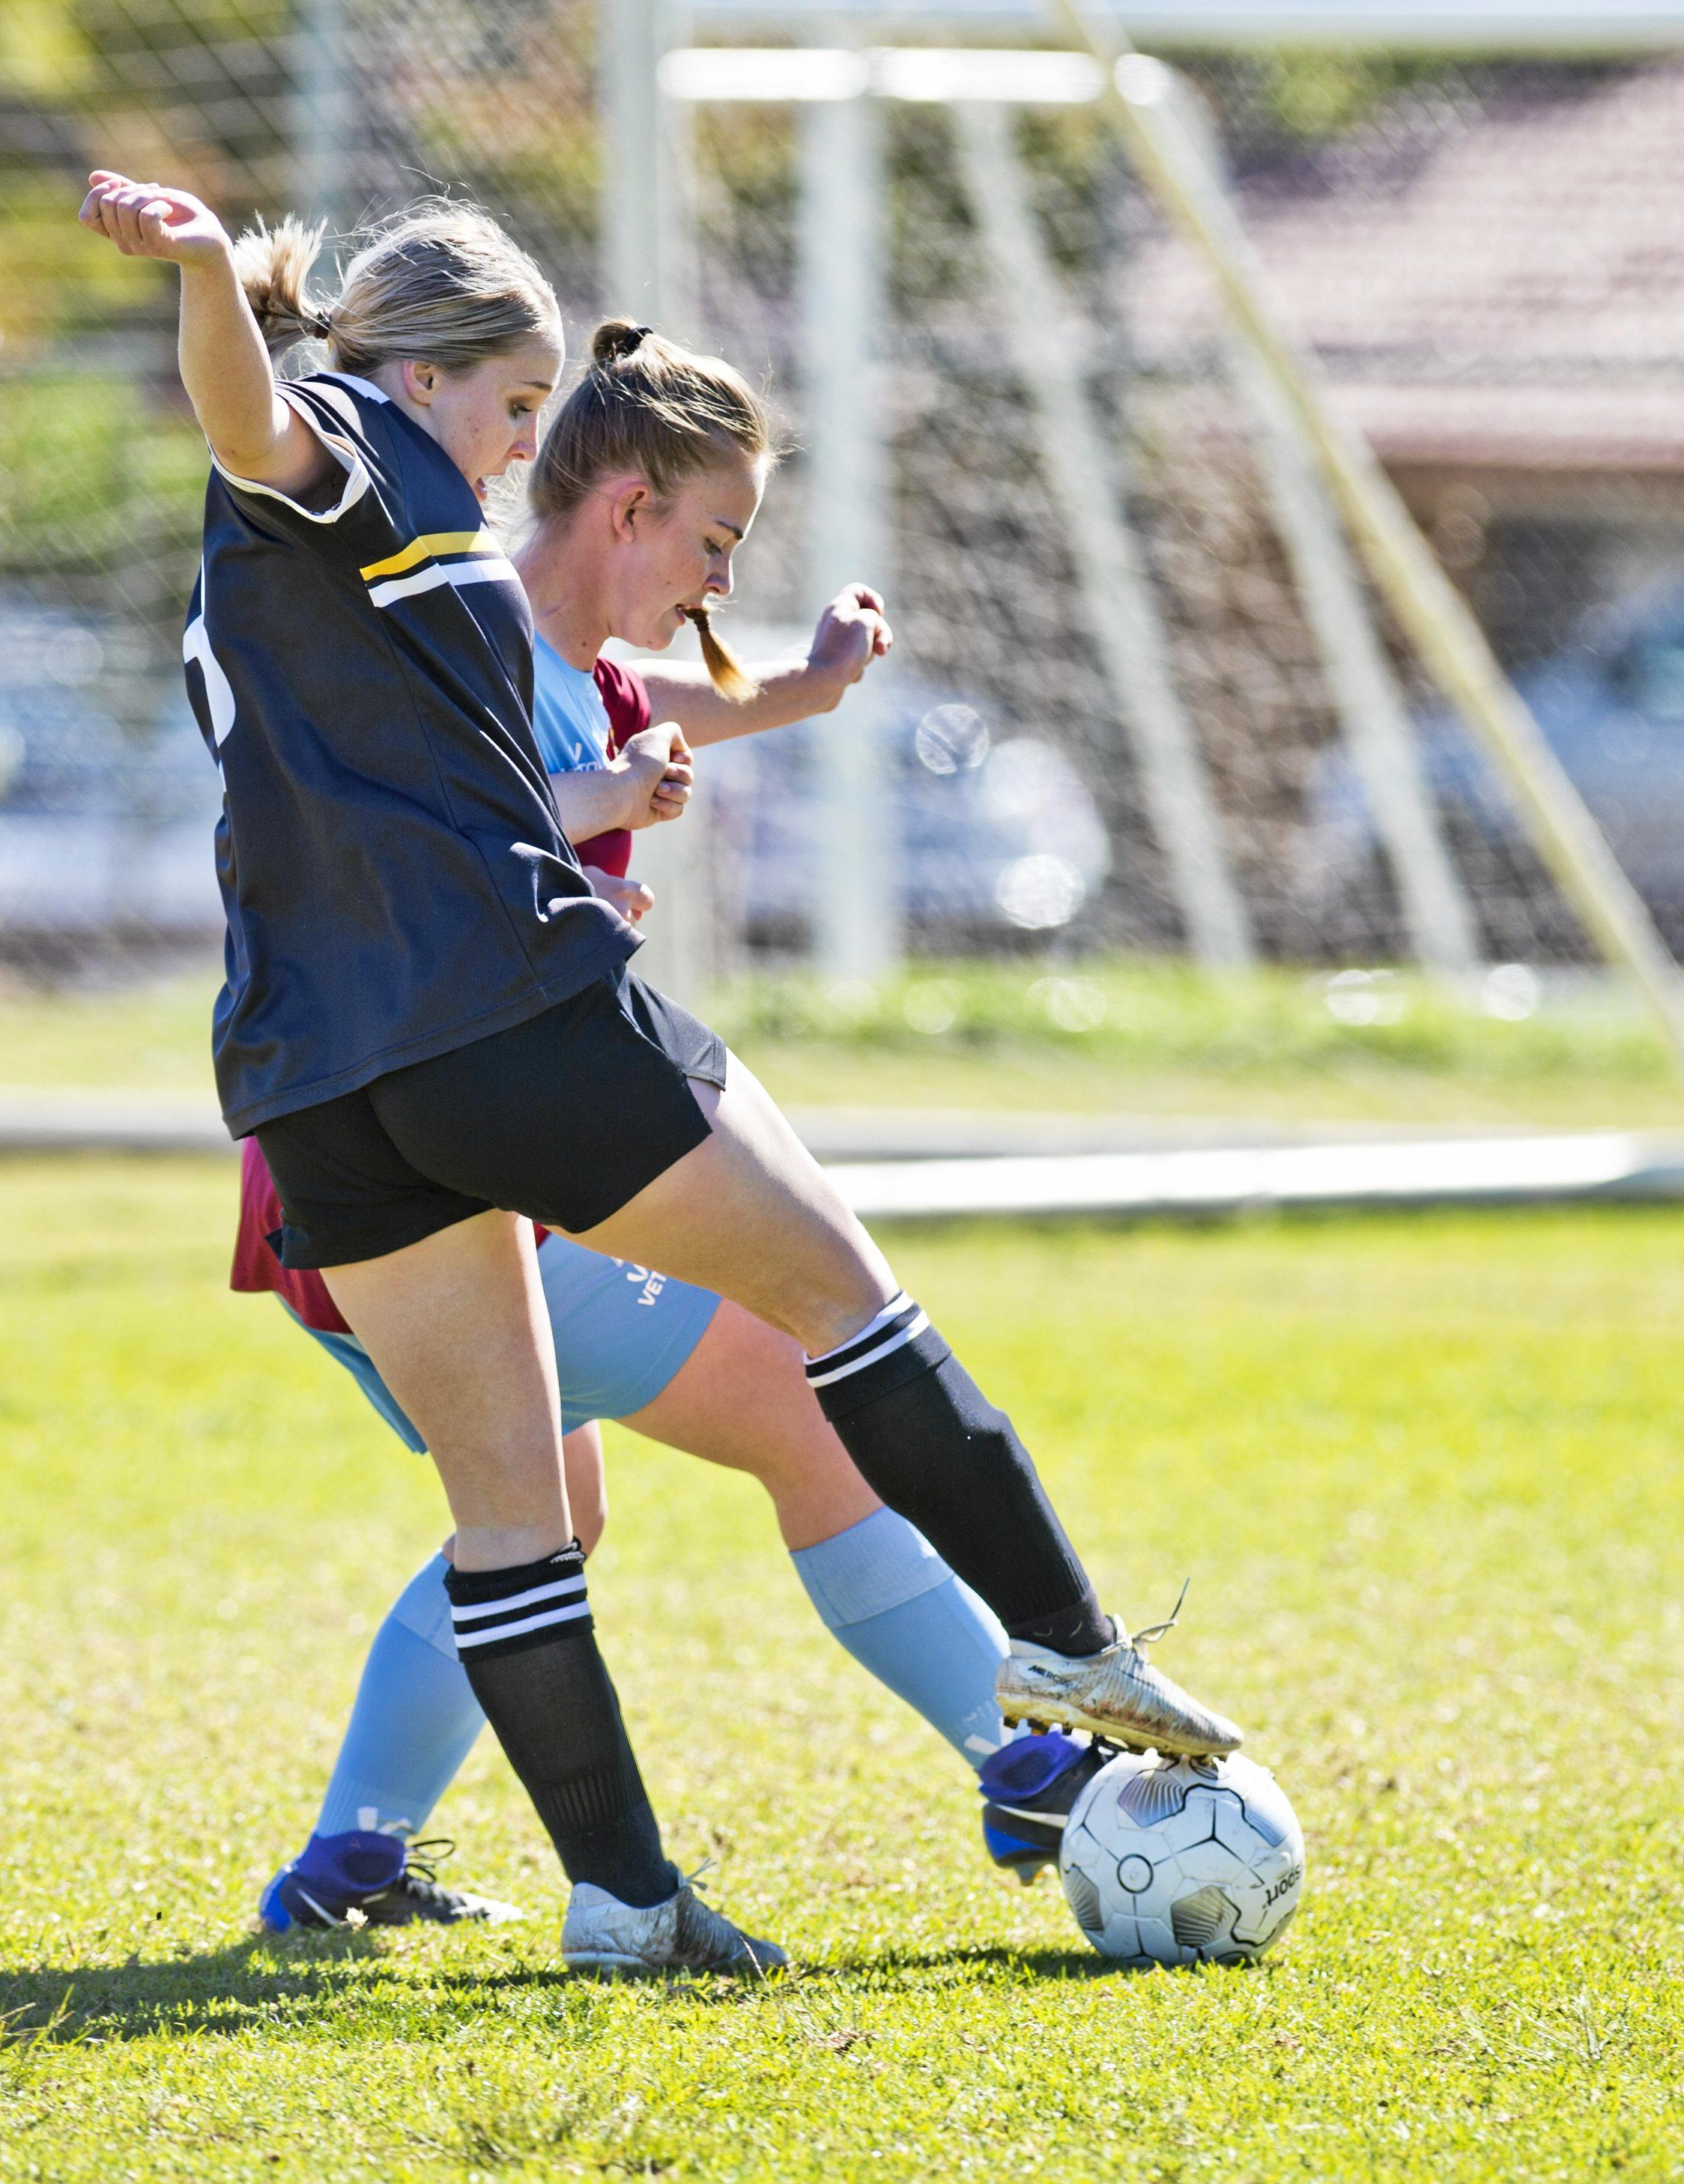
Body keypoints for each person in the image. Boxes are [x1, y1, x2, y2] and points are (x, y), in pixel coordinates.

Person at [81, 172, 1241, 1979]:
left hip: (310, 1078)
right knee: (837, 1309)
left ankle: (623, 1899)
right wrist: (212, 272)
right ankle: (1068, 1650)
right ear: (427, 374)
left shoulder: (341, 565)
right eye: (515, 408)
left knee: (519, 1522)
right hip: (504, 1006)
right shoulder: (362, 450)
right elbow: (250, 416)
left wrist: (769, 702)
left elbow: (580, 694)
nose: (518, 450)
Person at [242, 602, 1018, 1930]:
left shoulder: (565, 658)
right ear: (622, 503)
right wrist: (571, 842)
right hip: (442, 1173)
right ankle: (1029, 1765)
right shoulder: (468, 642)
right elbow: (405, 827)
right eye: (709, 537)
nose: (715, 580)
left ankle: (348, 1864)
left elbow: (665, 698)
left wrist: (811, 684)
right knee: (813, 1419)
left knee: (538, 1518)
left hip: (322, 1194)